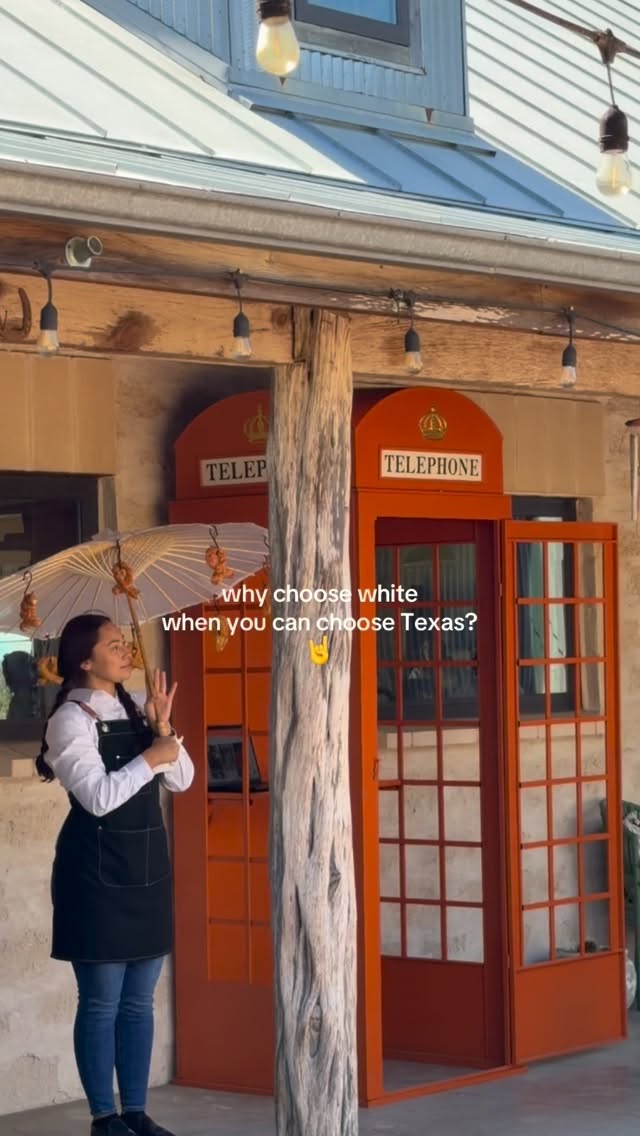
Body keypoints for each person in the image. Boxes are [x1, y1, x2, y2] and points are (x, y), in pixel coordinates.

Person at [36, 613, 194, 1136]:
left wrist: (164, 727)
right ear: (85, 660)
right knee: (101, 1001)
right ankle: (104, 1118)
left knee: (139, 1002)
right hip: (95, 876)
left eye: (125, 643)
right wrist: (151, 756)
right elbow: (99, 799)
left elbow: (186, 780)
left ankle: (135, 1113)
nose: (127, 652)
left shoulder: (137, 709)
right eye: (114, 645)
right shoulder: (70, 720)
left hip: (147, 869)